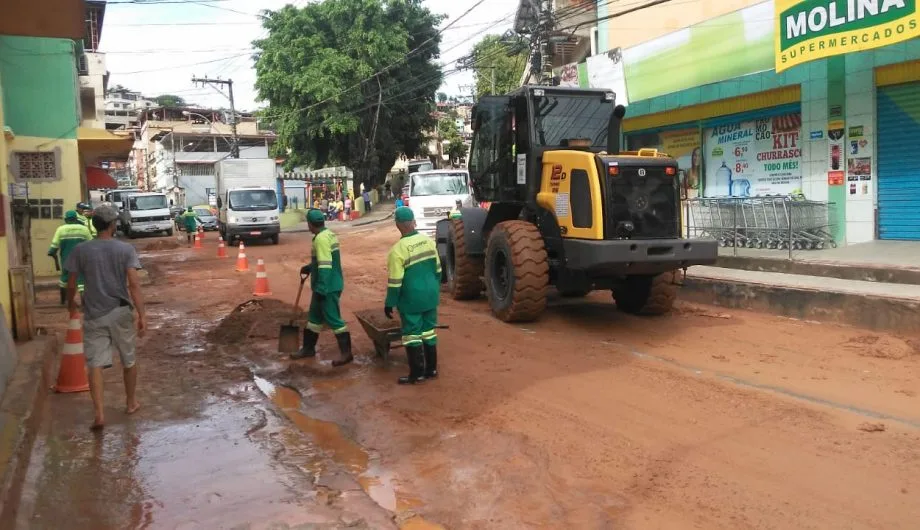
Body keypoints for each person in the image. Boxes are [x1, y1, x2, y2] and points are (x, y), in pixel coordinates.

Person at [64, 204, 145, 429]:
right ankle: (131, 402)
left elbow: (71, 284)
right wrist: (142, 314)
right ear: (112, 225)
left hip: (93, 314)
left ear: (93, 224)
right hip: (120, 312)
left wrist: (72, 304)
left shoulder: (81, 250)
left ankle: (99, 414)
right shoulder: (125, 250)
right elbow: (134, 285)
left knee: (95, 364)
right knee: (128, 359)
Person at [385, 207, 441, 385]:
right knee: (429, 331)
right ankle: (431, 369)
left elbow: (395, 282)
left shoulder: (397, 250)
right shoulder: (428, 242)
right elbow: (438, 270)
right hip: (430, 295)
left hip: (411, 299)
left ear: (398, 225)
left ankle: (416, 374)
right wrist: (431, 288)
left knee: (412, 335)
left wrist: (390, 303)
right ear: (413, 221)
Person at [292, 209, 352, 366]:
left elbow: (325, 266)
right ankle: (308, 348)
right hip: (327, 284)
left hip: (327, 287)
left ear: (310, 224)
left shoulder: (320, 239)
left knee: (334, 319)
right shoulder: (329, 234)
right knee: (314, 318)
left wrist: (322, 288)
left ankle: (347, 354)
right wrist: (310, 267)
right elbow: (324, 260)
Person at [48, 210, 92, 305]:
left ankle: (63, 301)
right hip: (81, 260)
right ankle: (84, 303)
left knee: (64, 279)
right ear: (76, 219)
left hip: (66, 260)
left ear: (65, 219)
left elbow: (54, 246)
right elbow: (91, 244)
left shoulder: (61, 229)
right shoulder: (83, 229)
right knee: (81, 280)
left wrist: (52, 253)